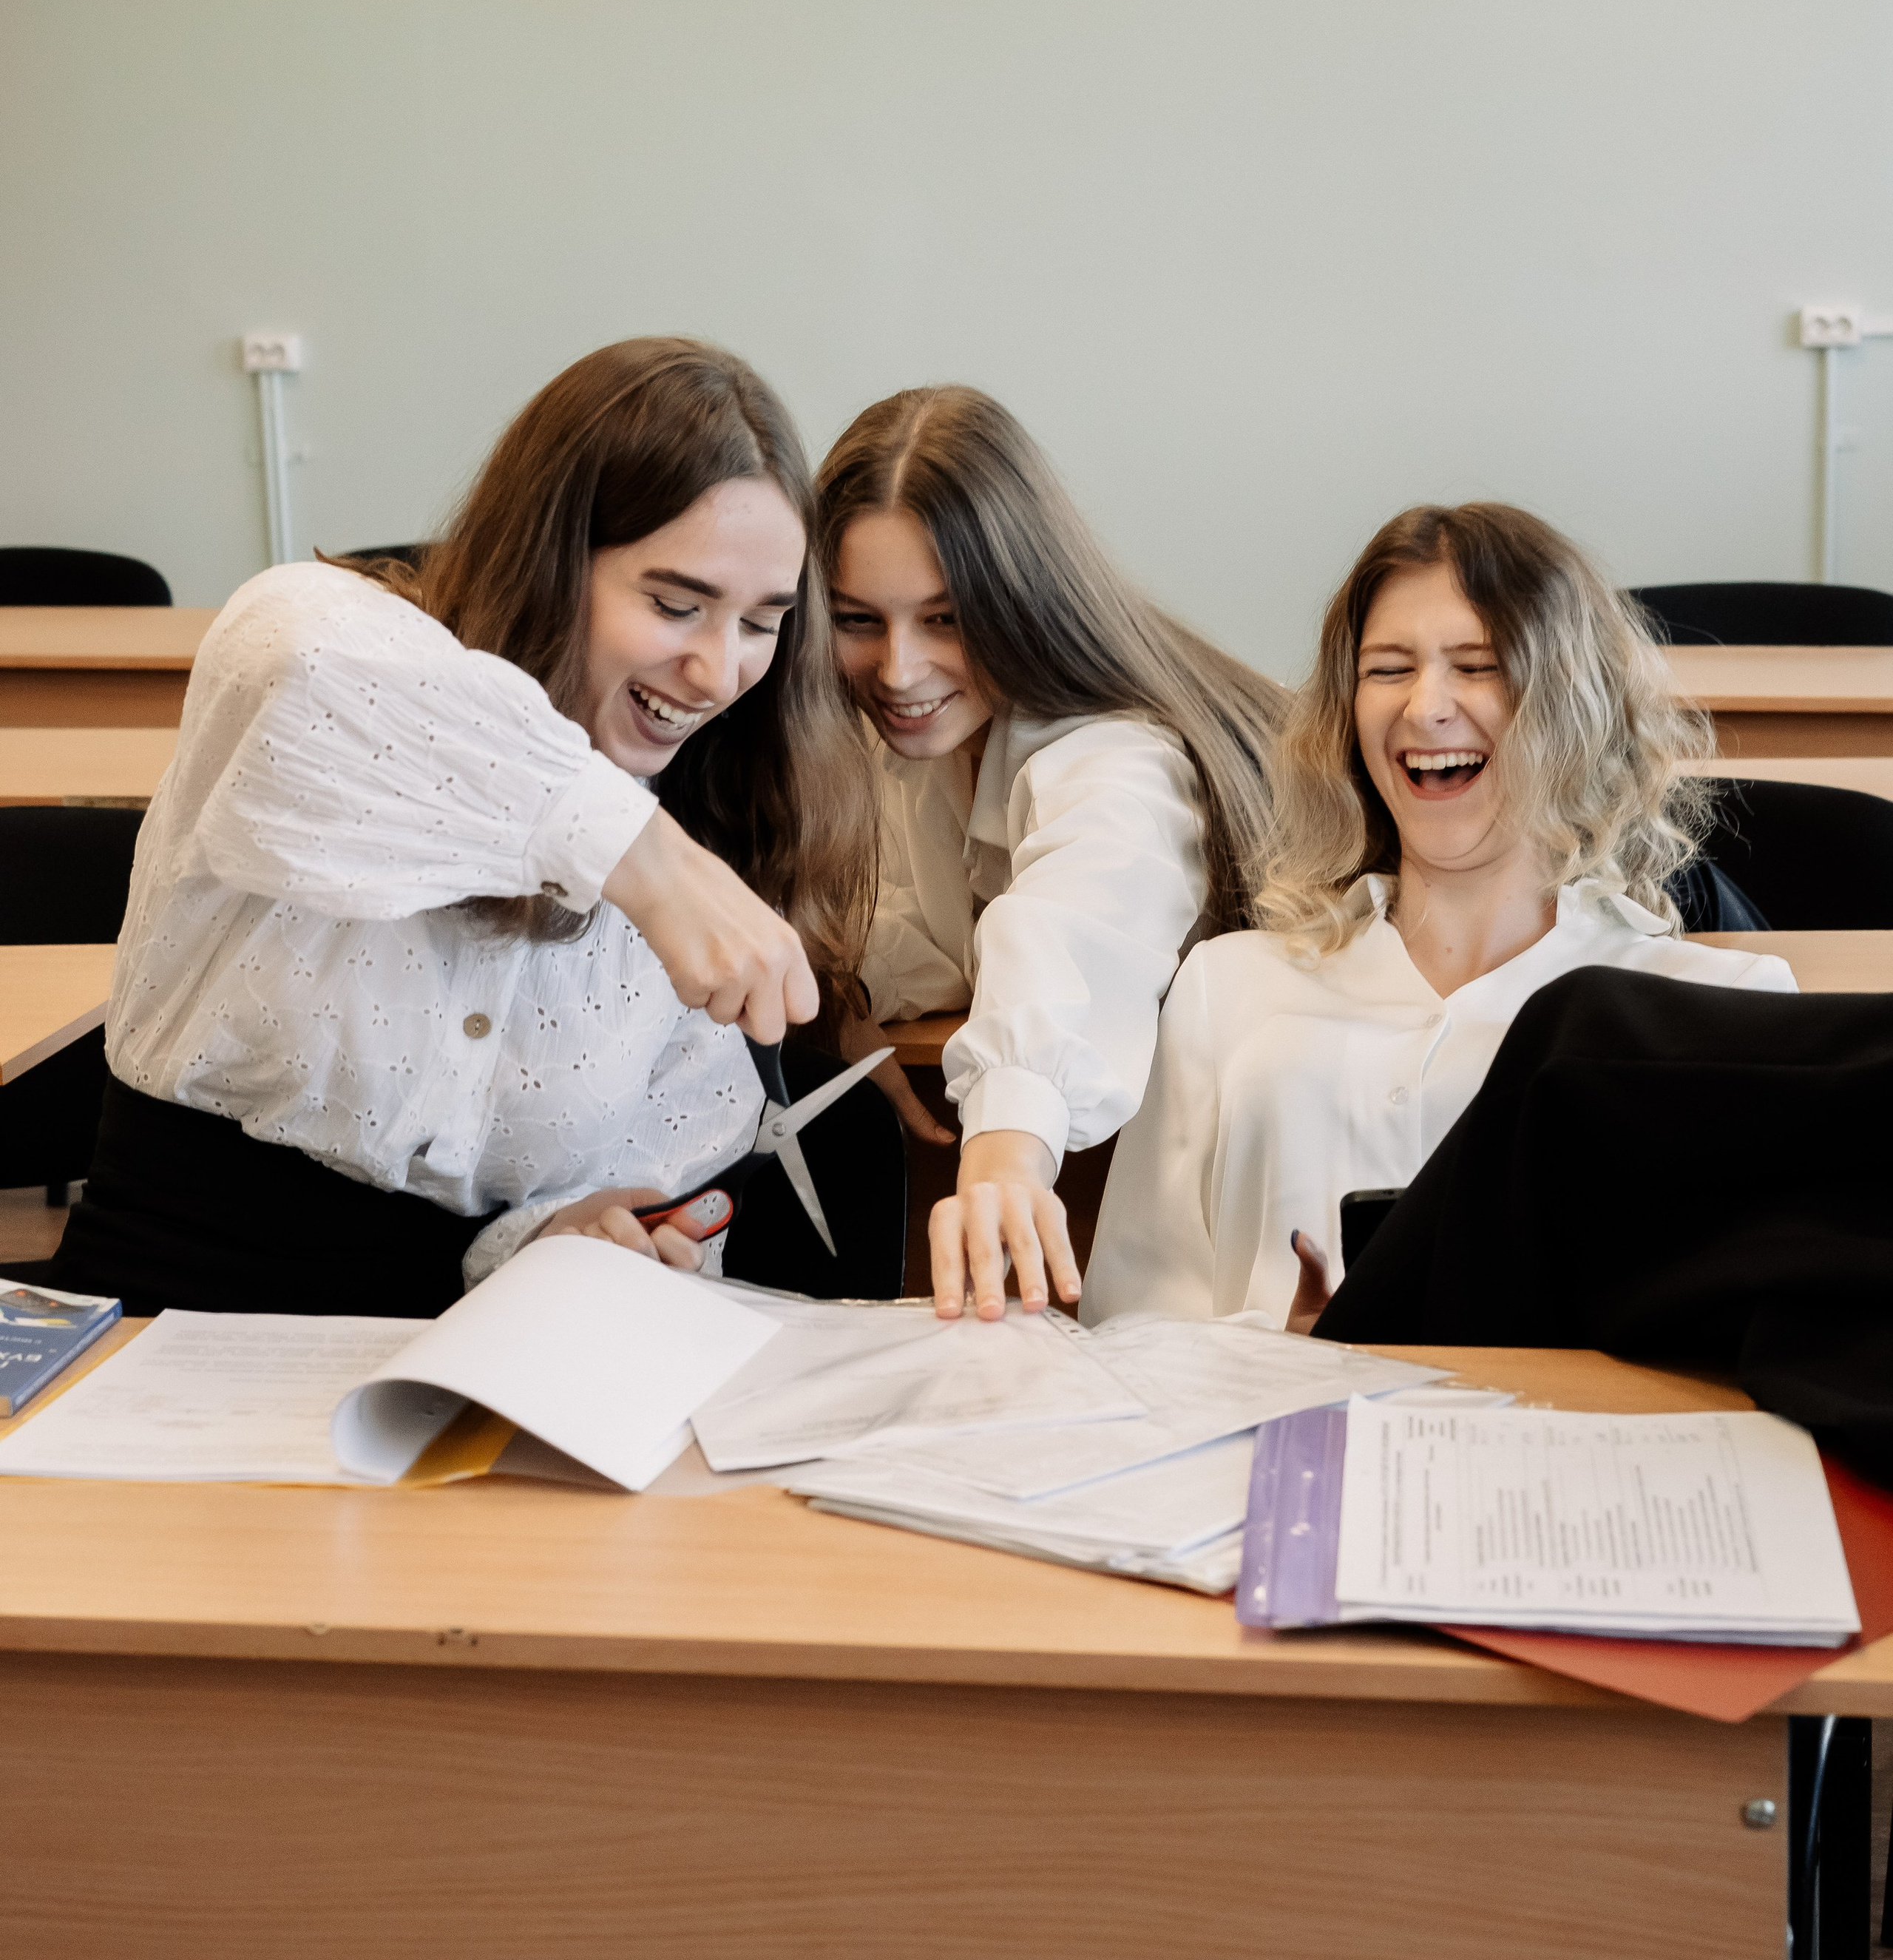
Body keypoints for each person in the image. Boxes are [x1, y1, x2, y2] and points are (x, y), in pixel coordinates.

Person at [21, 337, 883, 1322]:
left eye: (762, 623)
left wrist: (573, 1232)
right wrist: (637, 854)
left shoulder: (728, 835)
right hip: (169, 1307)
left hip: (454, 1355)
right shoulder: (335, 653)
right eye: (677, 605)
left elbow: (639, 1159)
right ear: (555, 559)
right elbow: (292, 655)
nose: (719, 671)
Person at [1081, 501, 1798, 1331]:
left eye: (1478, 665)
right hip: (1272, 1450)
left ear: (1571, 704)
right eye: (1388, 669)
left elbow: (1740, 1347)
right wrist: (1275, 1352)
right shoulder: (1226, 988)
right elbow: (1129, 1328)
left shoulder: (1718, 1010)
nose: (1426, 707)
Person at [816, 385, 1284, 1322]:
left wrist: (1003, 1157)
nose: (899, 669)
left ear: (1022, 599)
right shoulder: (913, 741)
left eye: (945, 619)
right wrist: (833, 993)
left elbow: (1071, 924)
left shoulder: (1113, 752)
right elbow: (919, 933)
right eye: (858, 619)